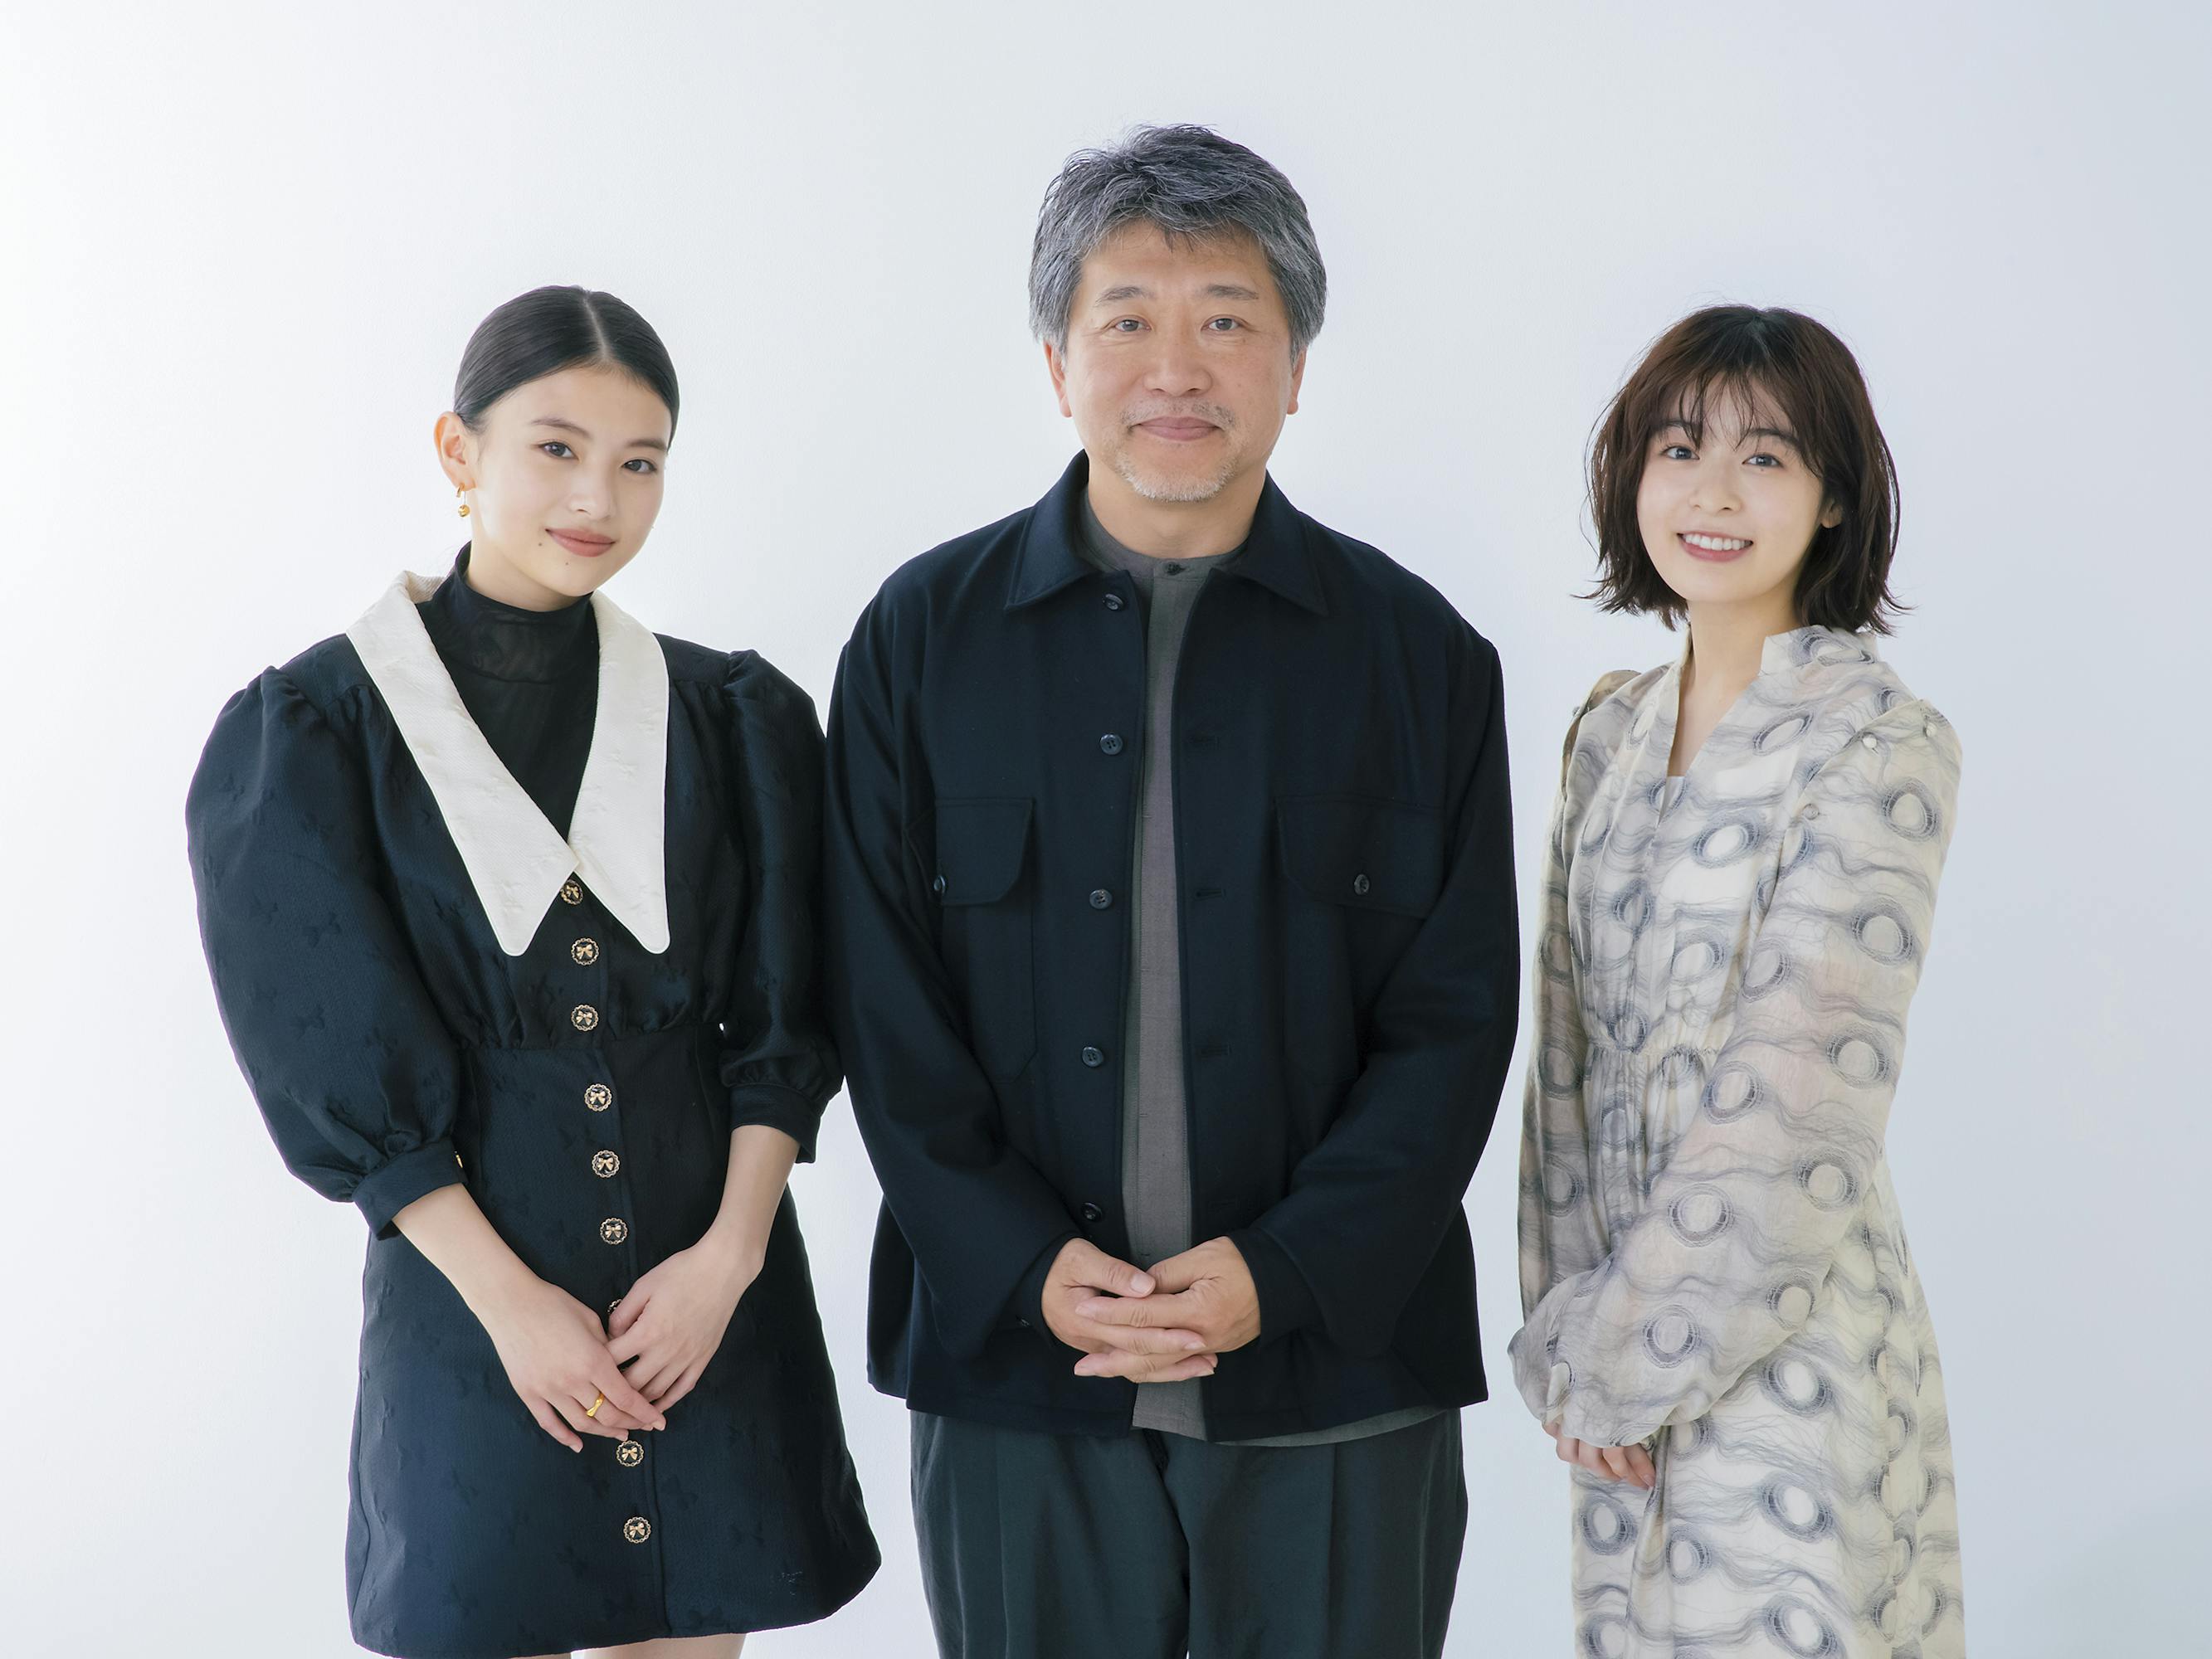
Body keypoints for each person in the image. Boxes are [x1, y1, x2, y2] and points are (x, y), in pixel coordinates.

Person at [822, 125, 1519, 1659]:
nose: (1175, 366)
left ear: (1294, 363)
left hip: (1337, 1377)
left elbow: (1455, 1026)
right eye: (1126, 317)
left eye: (1227, 319)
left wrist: (1284, 1273)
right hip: (1019, 1379)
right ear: (1055, 360)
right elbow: (878, 1003)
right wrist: (1020, 1269)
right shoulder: (917, 642)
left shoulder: (1419, 662)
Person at [185, 285, 878, 1659]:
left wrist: (727, 1264)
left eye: (641, 462)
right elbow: (327, 1059)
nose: (598, 498)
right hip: (470, 1318)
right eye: (555, 448)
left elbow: (787, 1021)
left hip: (704, 1305)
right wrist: (514, 1312)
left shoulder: (732, 717)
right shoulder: (313, 731)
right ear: (459, 451)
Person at [1511, 305, 1966, 1657]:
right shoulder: (1608, 731)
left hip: (1792, 1344)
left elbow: (1798, 1098)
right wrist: (1566, 1350)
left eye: (1765, 458)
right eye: (1676, 447)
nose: (1711, 492)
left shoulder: (1879, 739)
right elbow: (1562, 1078)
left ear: (1832, 501)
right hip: (1613, 1371)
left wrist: (1625, 1365)